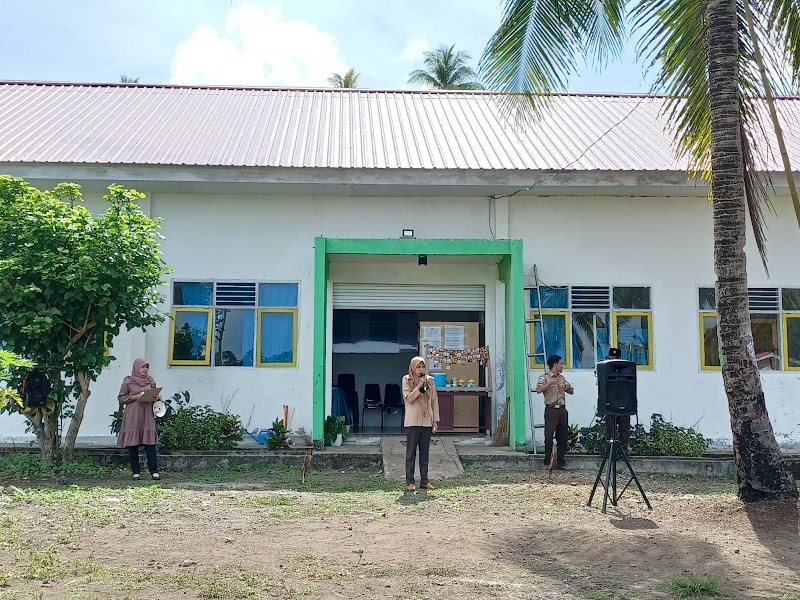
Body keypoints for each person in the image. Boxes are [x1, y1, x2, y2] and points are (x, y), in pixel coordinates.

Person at [117, 357, 160, 480]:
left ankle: (154, 471)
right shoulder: (128, 381)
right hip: (133, 414)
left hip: (147, 414)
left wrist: (156, 397)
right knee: (133, 443)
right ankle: (136, 472)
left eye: (147, 367)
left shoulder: (150, 380)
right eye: (143, 367)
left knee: (150, 443)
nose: (145, 369)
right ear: (137, 367)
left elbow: (155, 394)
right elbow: (121, 398)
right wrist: (135, 397)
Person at [401, 356, 440, 492]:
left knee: (425, 453)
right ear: (413, 368)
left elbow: (434, 401)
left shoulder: (430, 381)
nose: (421, 370)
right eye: (418, 367)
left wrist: (435, 420)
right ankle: (410, 482)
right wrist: (418, 387)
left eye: (423, 367)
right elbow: (409, 399)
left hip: (427, 421)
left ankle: (424, 480)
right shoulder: (407, 380)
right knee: (411, 452)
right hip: (413, 421)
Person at [536, 354, 574, 469]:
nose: (562, 366)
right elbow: (538, 390)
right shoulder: (544, 377)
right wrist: (551, 383)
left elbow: (571, 391)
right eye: (561, 363)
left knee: (562, 437)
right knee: (548, 436)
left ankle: (561, 463)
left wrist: (567, 387)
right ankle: (547, 462)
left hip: (562, 409)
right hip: (551, 409)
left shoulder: (562, 378)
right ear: (555, 364)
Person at [603, 347, 631, 452]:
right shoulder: (605, 370)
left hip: (624, 402)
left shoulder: (626, 370)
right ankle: (611, 452)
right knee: (610, 430)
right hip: (610, 403)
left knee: (624, 429)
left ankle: (623, 451)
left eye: (615, 359)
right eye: (611, 359)